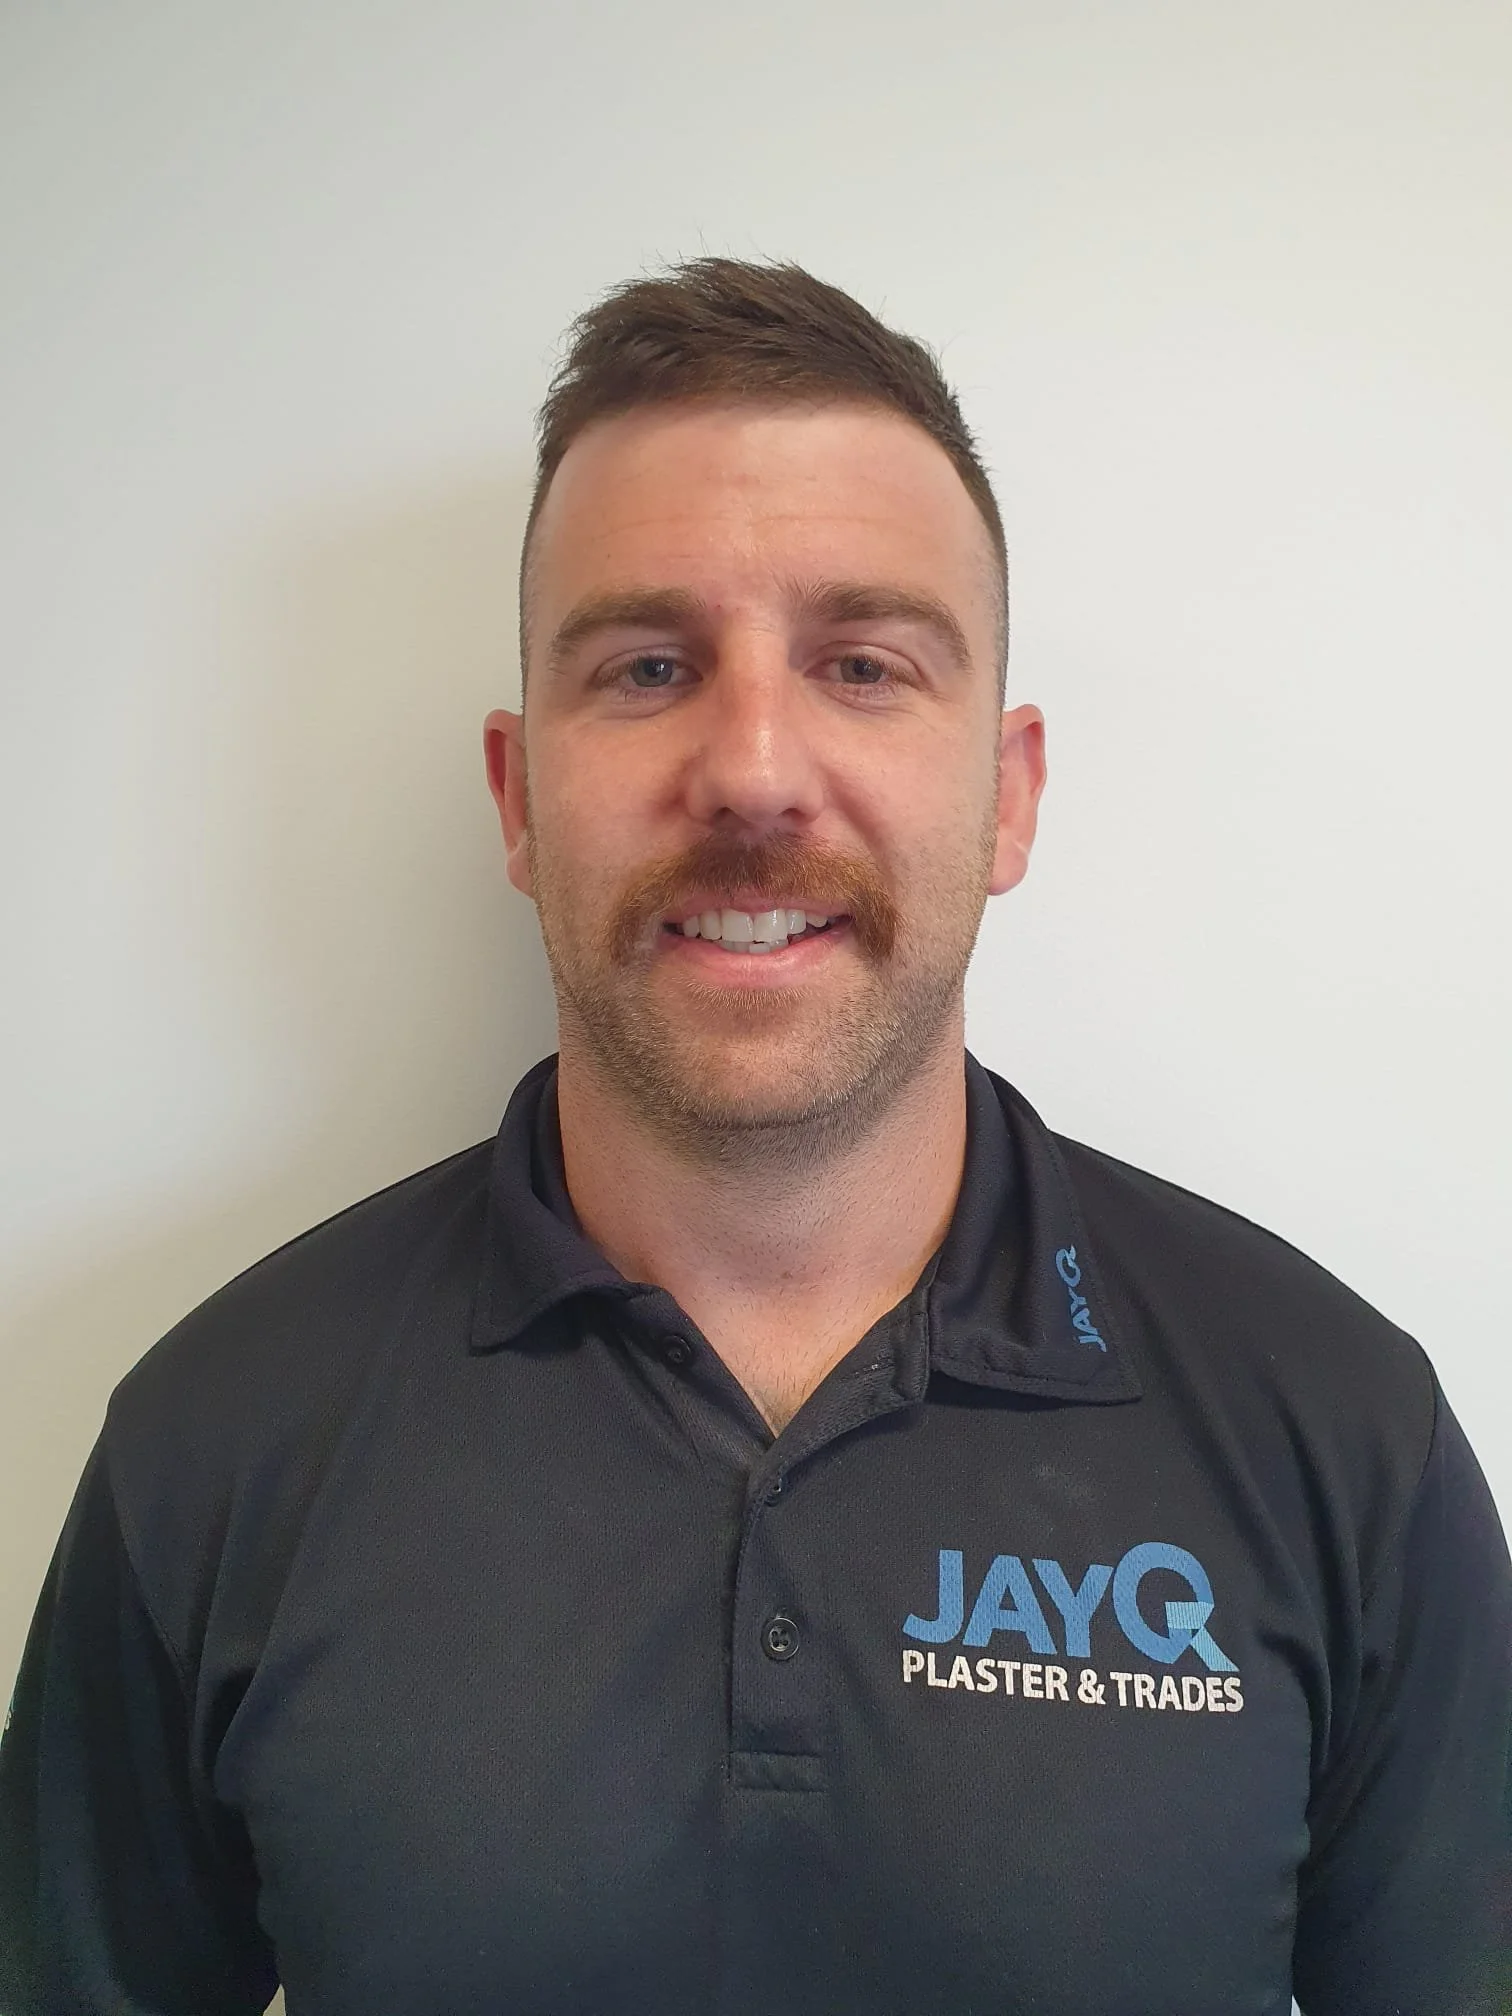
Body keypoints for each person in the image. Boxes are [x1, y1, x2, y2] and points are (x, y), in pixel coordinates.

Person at [2, 257, 1508, 2016]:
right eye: (647, 667)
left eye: (864, 663)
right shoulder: (225, 1436)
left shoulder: (1339, 1434)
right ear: (515, 797)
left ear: (1008, 793)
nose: (755, 770)